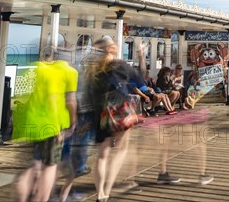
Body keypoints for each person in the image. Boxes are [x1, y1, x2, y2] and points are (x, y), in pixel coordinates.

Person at [13, 49, 78, 202]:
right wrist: (73, 121)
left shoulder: (35, 67)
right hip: (53, 125)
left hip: (30, 123)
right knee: (50, 166)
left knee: (32, 166)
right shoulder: (70, 71)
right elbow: (71, 101)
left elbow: (21, 95)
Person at [86, 37, 139, 202]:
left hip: (101, 114)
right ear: (111, 49)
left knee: (102, 155)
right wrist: (142, 56)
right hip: (120, 112)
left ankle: (101, 194)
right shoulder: (120, 65)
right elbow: (139, 77)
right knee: (122, 149)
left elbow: (90, 97)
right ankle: (109, 188)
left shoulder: (91, 70)